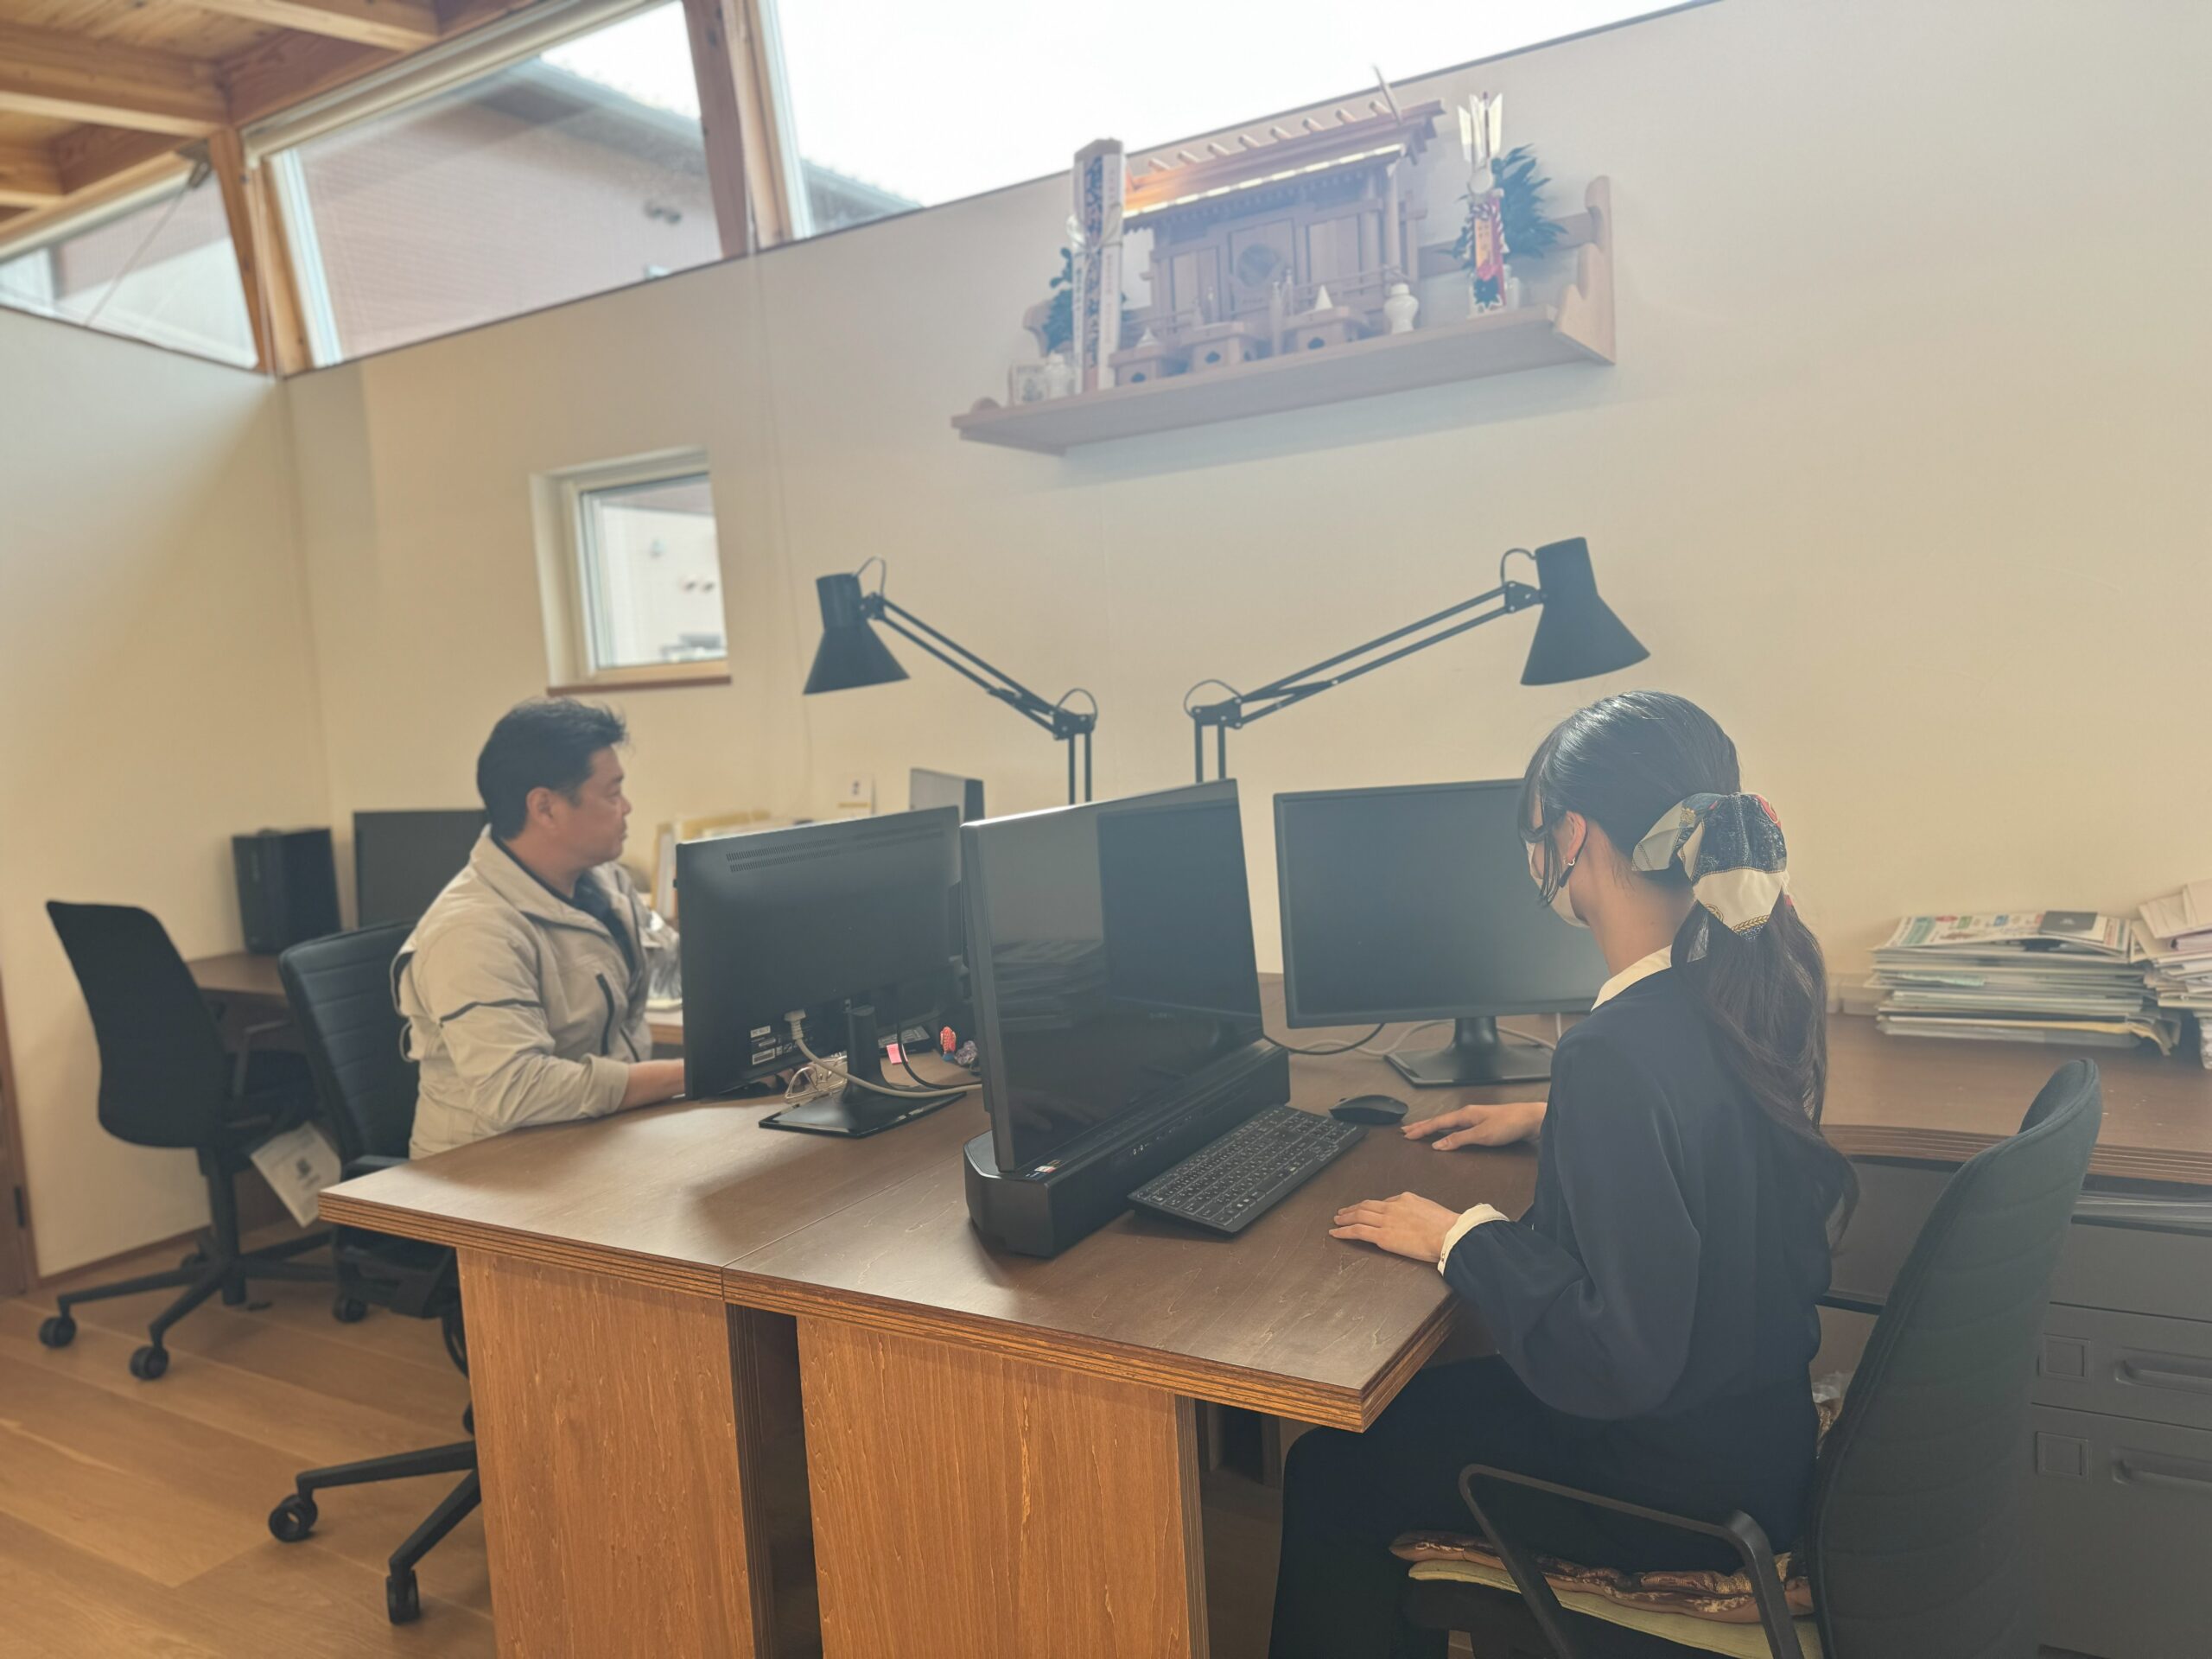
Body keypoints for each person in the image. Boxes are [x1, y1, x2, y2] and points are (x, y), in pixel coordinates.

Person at [1269, 690, 1857, 1659]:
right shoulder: (1743, 985)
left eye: (1538, 830)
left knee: (1335, 1467)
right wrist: (1560, 1119)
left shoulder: (1615, 1051)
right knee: (1421, 1411)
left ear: (1572, 835)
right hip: (1755, 1438)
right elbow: (1709, 1139)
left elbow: (1615, 1355)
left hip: (1670, 1488)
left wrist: (1458, 1236)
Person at [395, 698, 686, 1159]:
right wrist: (691, 1074)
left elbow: (670, 969)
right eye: (612, 794)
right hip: (486, 1174)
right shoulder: (472, 930)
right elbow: (518, 1090)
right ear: (546, 808)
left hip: (594, 1142)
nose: (627, 807)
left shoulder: (605, 882)